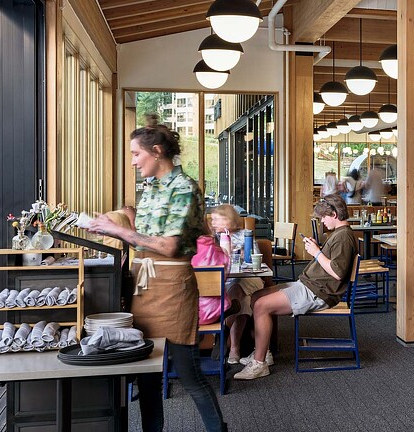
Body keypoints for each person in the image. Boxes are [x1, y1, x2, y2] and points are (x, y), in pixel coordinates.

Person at [88, 116, 226, 432]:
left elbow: (168, 246)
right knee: (147, 375)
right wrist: (109, 227)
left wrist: (118, 230)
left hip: (173, 288)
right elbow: (144, 236)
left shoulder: (184, 188)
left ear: (157, 151)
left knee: (189, 374)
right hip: (143, 286)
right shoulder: (150, 189)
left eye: (137, 154)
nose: (134, 162)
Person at [235, 194, 359, 380]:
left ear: (334, 214)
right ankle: (264, 352)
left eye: (324, 217)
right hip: (310, 285)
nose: (322, 221)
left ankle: (259, 364)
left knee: (261, 305)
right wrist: (317, 249)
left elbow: (337, 273)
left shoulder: (343, 237)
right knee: (256, 296)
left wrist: (316, 253)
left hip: (318, 292)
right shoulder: (339, 235)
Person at [206, 204, 265, 365]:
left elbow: (255, 259)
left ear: (229, 220)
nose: (214, 223)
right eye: (212, 220)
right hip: (224, 280)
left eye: (217, 219)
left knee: (237, 290)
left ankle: (223, 336)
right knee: (243, 301)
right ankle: (234, 348)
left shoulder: (244, 235)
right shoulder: (212, 239)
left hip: (248, 278)